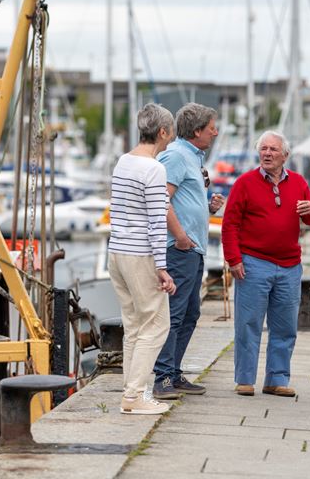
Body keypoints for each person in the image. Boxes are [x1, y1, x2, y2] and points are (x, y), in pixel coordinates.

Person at [222, 131, 310, 397]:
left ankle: (276, 379)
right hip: (254, 263)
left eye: (273, 150)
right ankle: (245, 379)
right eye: (263, 149)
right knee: (248, 325)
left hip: (289, 266)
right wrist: (233, 258)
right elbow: (230, 224)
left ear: (285, 155)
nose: (267, 153)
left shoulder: (298, 182)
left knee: (285, 327)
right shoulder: (244, 183)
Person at [108, 103, 177, 415]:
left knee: (133, 324)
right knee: (157, 323)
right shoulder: (154, 169)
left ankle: (131, 391)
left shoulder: (123, 161)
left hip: (117, 251)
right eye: (170, 132)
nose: (171, 138)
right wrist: (162, 267)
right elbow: (156, 220)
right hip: (140, 254)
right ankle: (135, 396)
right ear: (162, 132)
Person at [152, 103, 224, 400]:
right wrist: (180, 236)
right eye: (211, 128)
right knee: (175, 313)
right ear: (197, 131)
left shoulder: (192, 158)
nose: (215, 132)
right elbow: (161, 199)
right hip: (179, 249)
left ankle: (173, 370)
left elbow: (181, 201)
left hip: (192, 249)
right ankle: (162, 377)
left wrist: (207, 208)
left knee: (191, 313)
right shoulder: (177, 156)